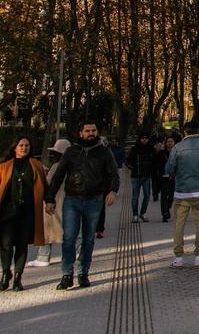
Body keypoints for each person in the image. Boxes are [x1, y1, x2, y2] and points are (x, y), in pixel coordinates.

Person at [46, 121, 119, 291]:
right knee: (69, 238)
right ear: (81, 133)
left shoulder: (104, 152)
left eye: (94, 130)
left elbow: (113, 173)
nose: (91, 133)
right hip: (73, 200)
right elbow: (58, 176)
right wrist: (50, 198)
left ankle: (83, 272)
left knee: (88, 239)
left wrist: (113, 191)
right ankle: (67, 274)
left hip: (94, 200)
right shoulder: (72, 152)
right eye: (87, 131)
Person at [0, 137, 47, 292]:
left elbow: (44, 186)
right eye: (21, 145)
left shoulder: (36, 166)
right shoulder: (4, 167)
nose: (24, 148)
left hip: (28, 212)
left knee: (22, 245)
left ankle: (18, 277)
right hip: (8, 212)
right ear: (15, 148)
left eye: (27, 145)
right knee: (7, 245)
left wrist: (49, 201)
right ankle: (5, 273)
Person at [166, 121, 199, 269]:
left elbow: (169, 168)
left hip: (181, 192)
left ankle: (178, 258)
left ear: (184, 132)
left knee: (179, 224)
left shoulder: (177, 148)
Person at [30, 138, 69, 267]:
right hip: (69, 202)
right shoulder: (73, 165)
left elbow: (48, 184)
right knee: (70, 231)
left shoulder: (56, 166)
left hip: (53, 202)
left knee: (47, 230)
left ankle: (43, 257)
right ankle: (71, 254)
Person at [125, 131, 157, 222]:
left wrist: (152, 170)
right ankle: (135, 215)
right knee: (135, 196)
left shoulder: (151, 149)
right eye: (142, 138)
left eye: (146, 138)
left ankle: (143, 213)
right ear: (139, 139)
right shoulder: (135, 149)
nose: (144, 140)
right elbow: (127, 161)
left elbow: (155, 162)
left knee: (147, 196)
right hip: (136, 176)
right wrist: (134, 168)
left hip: (146, 176)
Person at [154, 134, 177, 222]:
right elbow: (156, 165)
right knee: (164, 195)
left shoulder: (177, 153)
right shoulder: (161, 153)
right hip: (163, 177)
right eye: (168, 142)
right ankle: (164, 213)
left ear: (174, 143)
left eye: (171, 142)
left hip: (173, 177)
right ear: (165, 143)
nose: (169, 143)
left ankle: (168, 207)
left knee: (171, 195)